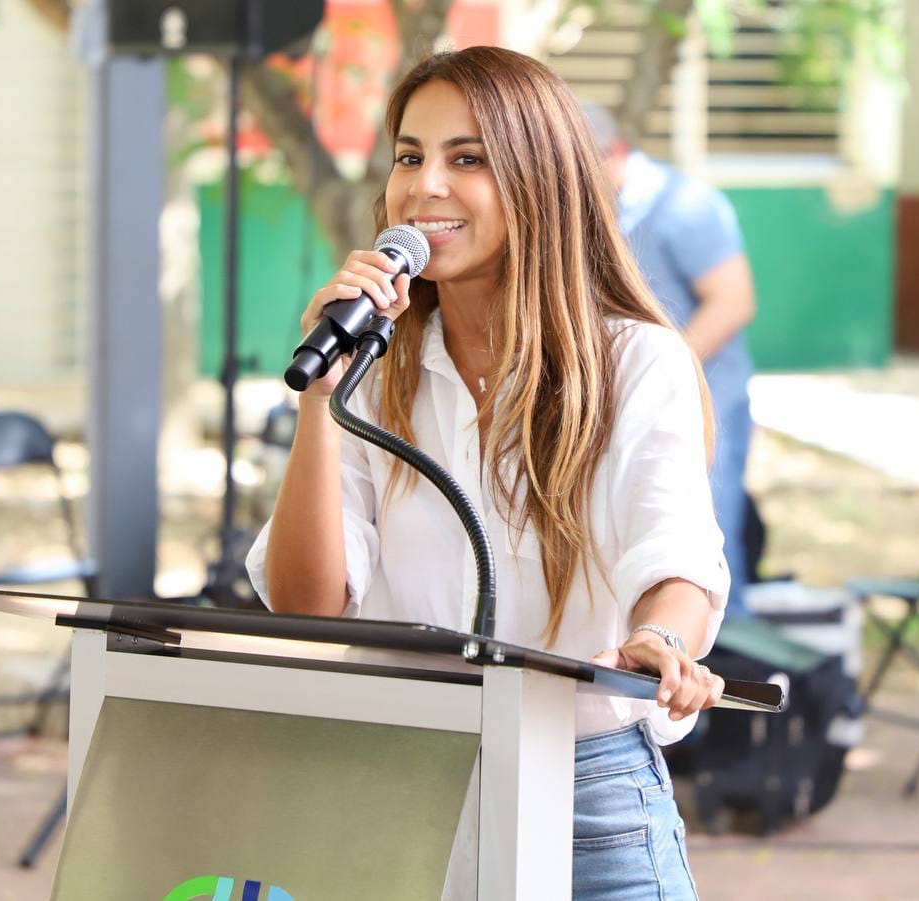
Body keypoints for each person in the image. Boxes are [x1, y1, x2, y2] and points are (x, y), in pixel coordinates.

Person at [247, 47, 729, 898]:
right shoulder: (373, 372)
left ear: (539, 180)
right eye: (409, 156)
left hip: (585, 796)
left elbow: (676, 554)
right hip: (401, 781)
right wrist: (322, 397)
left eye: (466, 158)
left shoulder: (636, 361)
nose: (425, 184)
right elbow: (307, 601)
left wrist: (662, 640)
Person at [584, 105, 757, 615]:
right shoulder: (593, 211)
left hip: (703, 404)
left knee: (703, 553)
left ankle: (717, 682)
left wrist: (653, 375)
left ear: (613, 153)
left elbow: (732, 301)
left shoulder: (686, 205)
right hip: (617, 404)